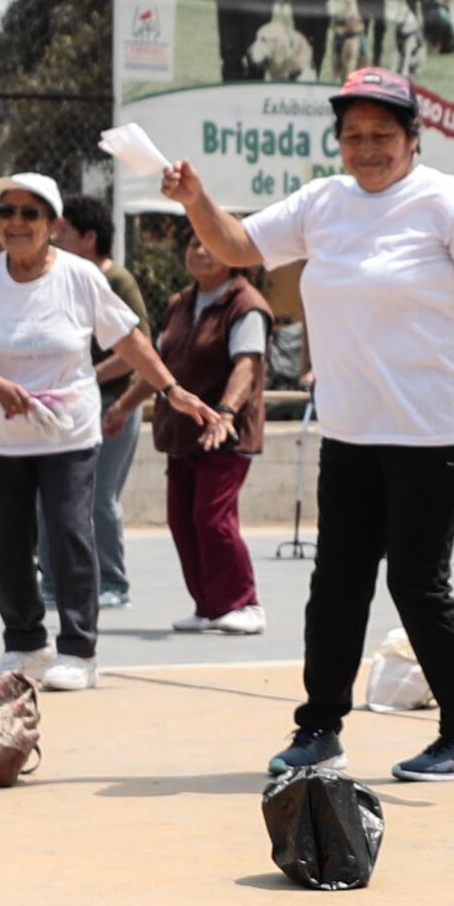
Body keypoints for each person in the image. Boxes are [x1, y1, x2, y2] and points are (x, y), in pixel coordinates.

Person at [167, 69, 454, 784]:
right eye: (353, 135)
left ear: (413, 138)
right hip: (351, 432)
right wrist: (196, 200)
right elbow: (238, 244)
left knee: (418, 583)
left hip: (427, 432)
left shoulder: (443, 200)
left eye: (382, 135)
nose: (366, 148)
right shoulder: (323, 203)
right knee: (336, 582)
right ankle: (319, 730)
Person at [0, 172, 216, 687]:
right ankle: (24, 646)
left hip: (67, 431)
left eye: (29, 213)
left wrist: (170, 389)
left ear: (51, 223)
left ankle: (78, 651)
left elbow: (129, 340)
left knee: (69, 533)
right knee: (6, 544)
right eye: (6, 212)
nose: (16, 223)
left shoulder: (80, 276)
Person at [157, 225, 273, 635]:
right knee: (182, 519)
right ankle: (207, 606)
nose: (199, 250)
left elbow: (248, 364)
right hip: (182, 433)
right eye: (192, 243)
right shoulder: (179, 304)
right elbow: (160, 367)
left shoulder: (245, 304)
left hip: (225, 433)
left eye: (209, 243)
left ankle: (245, 603)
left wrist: (225, 412)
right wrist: (121, 407)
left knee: (212, 517)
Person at [58, 191, 150, 613]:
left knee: (100, 497)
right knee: (59, 497)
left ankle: (114, 582)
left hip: (114, 406)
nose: (54, 239)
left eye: (63, 232)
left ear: (89, 238)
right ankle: (59, 579)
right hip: (71, 409)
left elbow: (138, 345)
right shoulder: (62, 279)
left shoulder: (117, 281)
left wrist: (90, 377)